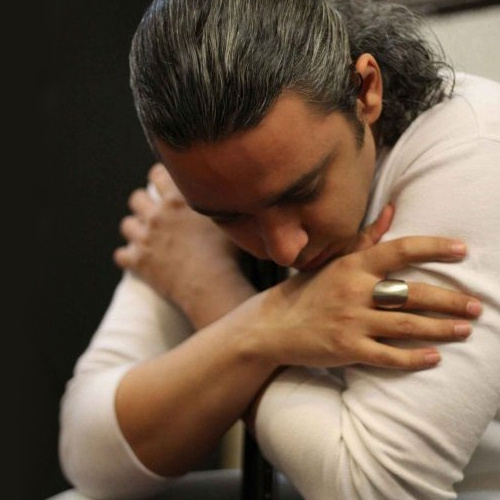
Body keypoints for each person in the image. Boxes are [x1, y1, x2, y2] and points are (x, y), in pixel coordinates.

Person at [57, 0, 500, 499]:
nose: (284, 250)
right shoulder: (211, 176)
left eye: (302, 192)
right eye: (229, 218)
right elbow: (89, 453)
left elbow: (373, 488)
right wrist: (268, 324)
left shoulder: (476, 151)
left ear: (365, 90)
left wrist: (213, 295)